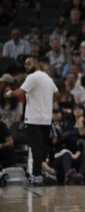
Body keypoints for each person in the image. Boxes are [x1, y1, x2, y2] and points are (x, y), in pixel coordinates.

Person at [4, 56, 58, 185]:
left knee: (36, 149)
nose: (26, 66)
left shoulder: (32, 77)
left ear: (37, 63)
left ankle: (36, 176)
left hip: (34, 119)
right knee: (41, 149)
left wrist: (8, 93)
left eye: (29, 63)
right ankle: (39, 174)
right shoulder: (48, 78)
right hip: (46, 119)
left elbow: (19, 94)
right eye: (25, 64)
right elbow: (57, 95)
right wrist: (45, 103)